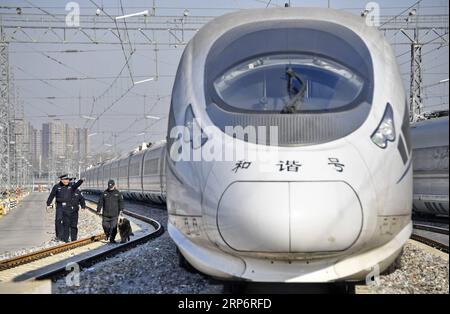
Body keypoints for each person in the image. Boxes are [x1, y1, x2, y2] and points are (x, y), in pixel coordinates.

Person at [46, 174, 84, 241]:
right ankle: (59, 235)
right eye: (65, 180)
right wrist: (48, 204)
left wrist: (81, 180)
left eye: (68, 180)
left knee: (68, 223)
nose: (67, 181)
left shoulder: (71, 186)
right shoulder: (56, 187)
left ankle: (68, 237)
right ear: (61, 180)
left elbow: (76, 185)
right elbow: (51, 195)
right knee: (58, 220)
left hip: (68, 206)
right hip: (60, 206)